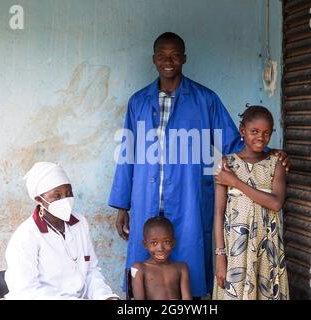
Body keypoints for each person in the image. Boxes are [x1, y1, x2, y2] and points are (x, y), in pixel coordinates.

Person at [108, 32, 289, 298]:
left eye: (175, 55)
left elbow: (232, 143)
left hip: (189, 197)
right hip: (146, 197)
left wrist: (271, 152)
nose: (168, 61)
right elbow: (128, 155)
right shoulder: (138, 102)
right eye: (162, 55)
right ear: (154, 59)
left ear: (184, 58)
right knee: (145, 267)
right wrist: (123, 205)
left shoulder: (205, 100)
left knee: (189, 265)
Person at [4, 162, 119, 300]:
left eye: (69, 193)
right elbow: (26, 292)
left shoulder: (80, 223)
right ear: (39, 199)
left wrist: (104, 296)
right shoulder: (26, 236)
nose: (65, 200)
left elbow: (90, 270)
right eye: (57, 196)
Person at [212, 105, 289, 300]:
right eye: (254, 131)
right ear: (242, 132)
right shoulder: (226, 163)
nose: (260, 137)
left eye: (266, 133)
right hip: (235, 249)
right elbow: (218, 213)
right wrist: (220, 255)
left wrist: (235, 182)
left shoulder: (276, 163)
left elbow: (276, 203)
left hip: (267, 246)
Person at [131, 216, 192, 300]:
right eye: (154, 243)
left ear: (173, 243)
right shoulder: (139, 268)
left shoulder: (181, 268)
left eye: (166, 242)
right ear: (145, 244)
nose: (160, 248)